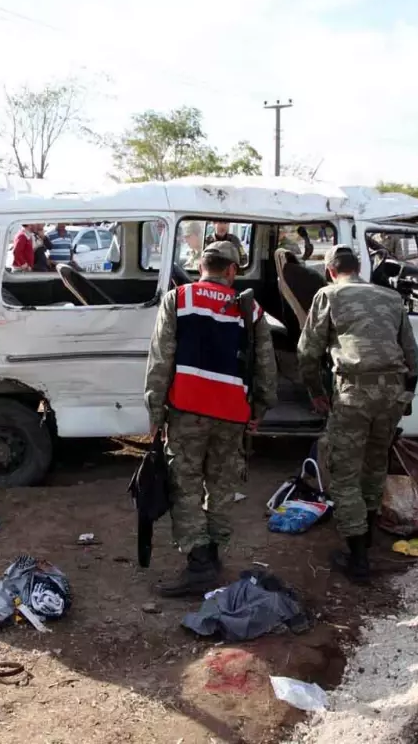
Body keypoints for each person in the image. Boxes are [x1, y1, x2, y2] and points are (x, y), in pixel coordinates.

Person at [144, 240, 277, 596]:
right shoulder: (251, 310)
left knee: (185, 486)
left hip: (188, 410)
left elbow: (161, 360)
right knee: (220, 488)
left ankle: (200, 563)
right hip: (232, 413)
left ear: (201, 266)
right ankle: (213, 554)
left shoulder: (179, 299)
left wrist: (155, 410)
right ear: (232, 271)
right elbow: (266, 365)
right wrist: (259, 409)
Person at [298, 245, 418, 583]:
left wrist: (317, 393)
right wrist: (407, 395)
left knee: (345, 472)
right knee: (375, 462)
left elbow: (307, 352)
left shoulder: (329, 295)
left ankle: (358, 558)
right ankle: (366, 537)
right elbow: (411, 352)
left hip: (354, 392)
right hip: (392, 391)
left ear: (330, 271)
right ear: (358, 267)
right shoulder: (390, 297)